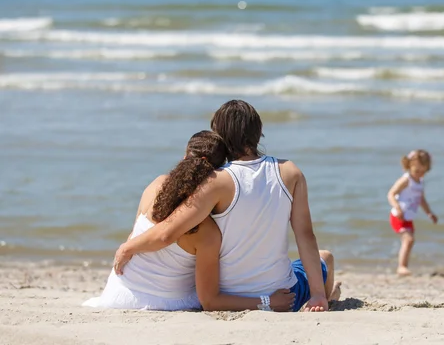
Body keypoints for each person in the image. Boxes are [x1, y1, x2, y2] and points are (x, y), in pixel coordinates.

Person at [113, 100, 341, 312]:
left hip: (227, 298)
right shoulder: (291, 172)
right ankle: (325, 299)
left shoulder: (216, 181)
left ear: (219, 137)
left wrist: (127, 247)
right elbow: (305, 235)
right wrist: (317, 293)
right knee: (325, 257)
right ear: (259, 133)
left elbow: (168, 232)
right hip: (284, 296)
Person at [84, 131, 295, 311]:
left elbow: (137, 236)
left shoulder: (156, 186)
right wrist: (267, 301)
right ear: (217, 172)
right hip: (164, 303)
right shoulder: (206, 231)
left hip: (115, 292)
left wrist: (126, 248)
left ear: (185, 155)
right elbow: (210, 301)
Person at [387, 149, 438, 276]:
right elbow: (391, 194)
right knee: (408, 240)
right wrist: (397, 208)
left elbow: (421, 199)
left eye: (423, 172)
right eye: (417, 171)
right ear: (409, 166)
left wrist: (429, 213)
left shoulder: (420, 182)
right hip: (398, 216)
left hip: (408, 217)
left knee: (410, 241)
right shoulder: (406, 180)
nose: (419, 174)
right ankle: (401, 267)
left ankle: (403, 266)